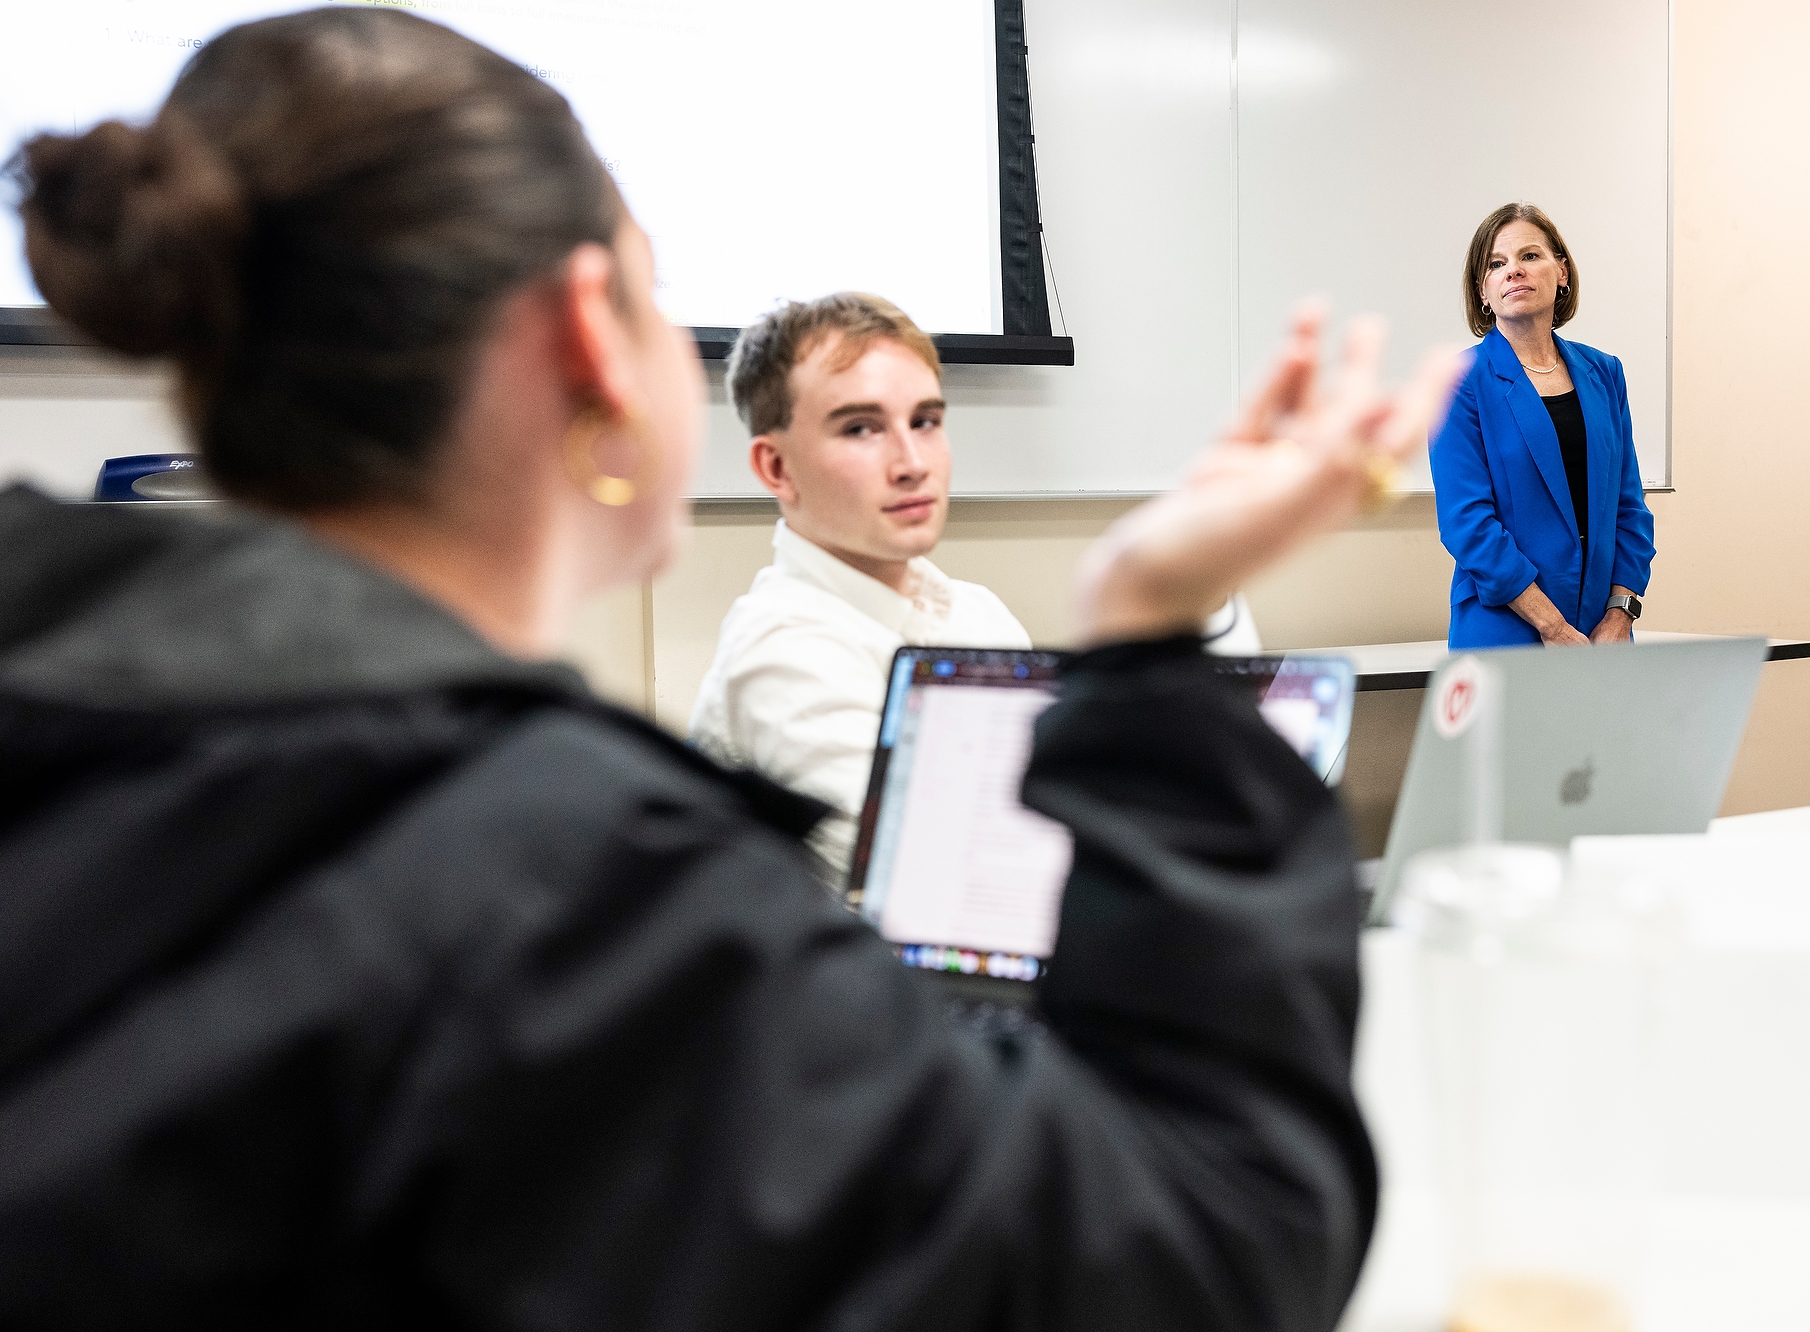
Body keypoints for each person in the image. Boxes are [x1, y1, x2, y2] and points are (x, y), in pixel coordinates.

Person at [0, 9, 1460, 1328]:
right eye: (655, 294)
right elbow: (1194, 1254)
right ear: (590, 332)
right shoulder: (566, 887)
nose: (908, 458)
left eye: (925, 418)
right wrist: (1152, 618)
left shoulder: (89, 728)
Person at [690, 294, 1259, 889]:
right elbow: (951, 879)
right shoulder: (782, 652)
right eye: (861, 429)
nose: (912, 462)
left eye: (926, 421)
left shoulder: (975, 613)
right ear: (776, 469)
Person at [1430, 203, 1656, 648]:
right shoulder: (1458, 383)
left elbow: (1629, 506)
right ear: (1483, 291)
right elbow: (1468, 524)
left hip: (1602, 635)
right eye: (1497, 264)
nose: (1514, 271)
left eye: (1530, 256)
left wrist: (1620, 614)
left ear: (1562, 272)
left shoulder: (1604, 373)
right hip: (1506, 631)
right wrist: (1551, 626)